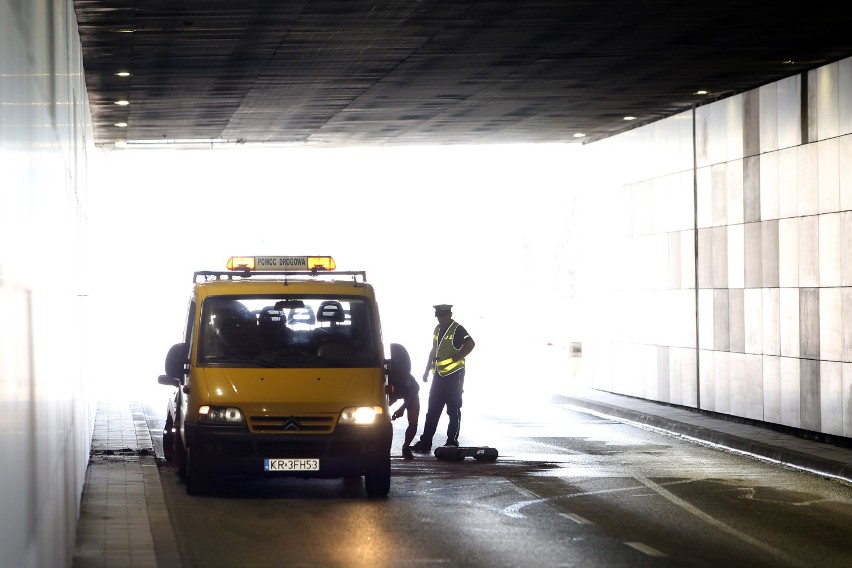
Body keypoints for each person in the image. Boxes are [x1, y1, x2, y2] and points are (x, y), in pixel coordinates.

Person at [410, 304, 475, 454]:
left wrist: (456, 357)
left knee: (453, 409)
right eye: (438, 316)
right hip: (438, 376)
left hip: (455, 376)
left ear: (450, 315)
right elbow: (434, 350)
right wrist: (427, 370)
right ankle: (426, 442)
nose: (440, 319)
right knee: (432, 410)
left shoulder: (458, 329)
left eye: (442, 316)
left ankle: (452, 441)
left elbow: (471, 344)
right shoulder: (437, 329)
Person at [387, 343, 421, 460]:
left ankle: (406, 447)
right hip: (390, 394)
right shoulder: (386, 374)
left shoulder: (409, 380)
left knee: (413, 423)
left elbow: (413, 393)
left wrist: (401, 408)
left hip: (409, 395)